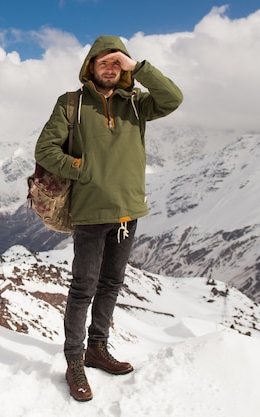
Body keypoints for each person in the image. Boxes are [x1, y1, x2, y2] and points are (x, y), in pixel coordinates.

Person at [34, 35, 183, 401]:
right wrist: (81, 169)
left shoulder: (137, 104)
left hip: (128, 211)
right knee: (83, 287)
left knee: (112, 284)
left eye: (118, 62)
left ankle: (97, 349)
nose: (111, 68)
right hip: (89, 210)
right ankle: (74, 362)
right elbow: (45, 149)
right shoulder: (71, 104)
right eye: (105, 62)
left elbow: (173, 99)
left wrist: (139, 69)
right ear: (90, 65)